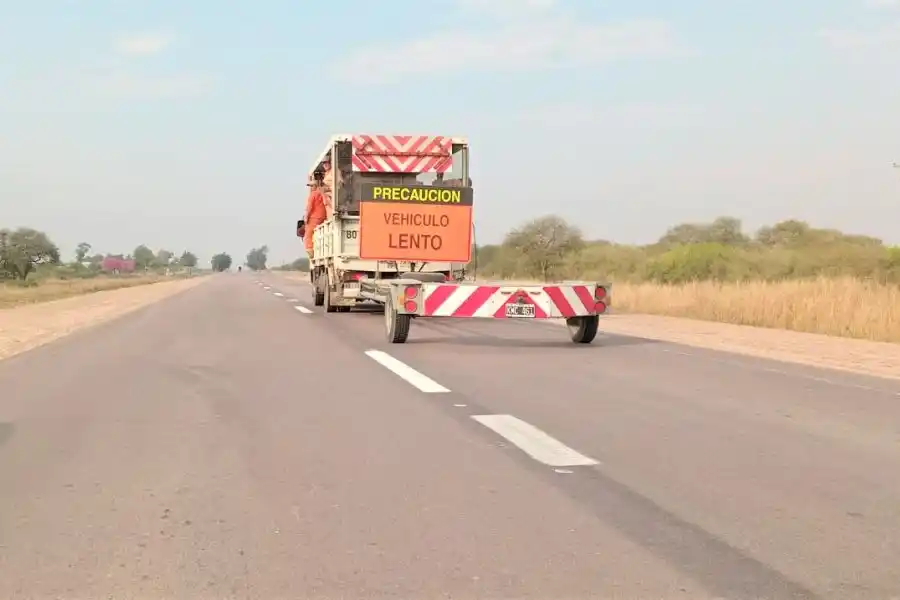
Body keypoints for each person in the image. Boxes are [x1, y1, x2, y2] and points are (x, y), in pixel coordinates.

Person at [303, 173, 329, 254]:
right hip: (323, 217)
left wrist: (306, 217)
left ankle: (310, 250)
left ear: (315, 186)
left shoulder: (313, 194)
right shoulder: (322, 192)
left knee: (308, 233)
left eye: (311, 186)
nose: (310, 188)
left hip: (314, 217)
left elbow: (309, 207)